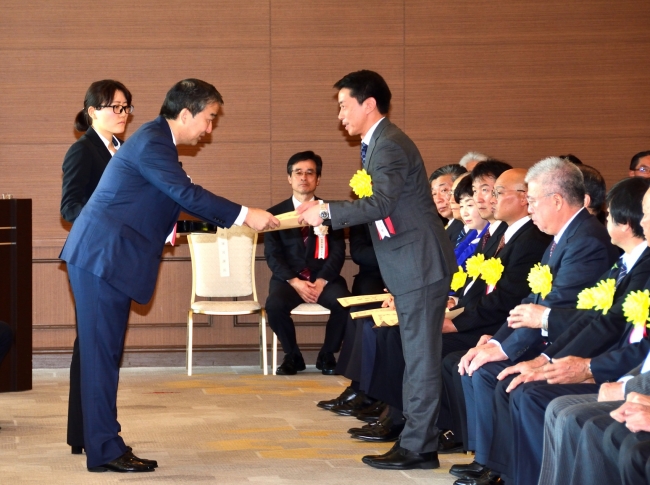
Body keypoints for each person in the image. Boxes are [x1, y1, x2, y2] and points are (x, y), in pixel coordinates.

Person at [59, 78, 279, 473]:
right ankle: (105, 450)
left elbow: (159, 200)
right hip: (100, 259)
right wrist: (246, 215)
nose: (209, 129)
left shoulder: (153, 142)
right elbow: (187, 195)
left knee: (104, 356)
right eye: (209, 119)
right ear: (185, 113)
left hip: (107, 258)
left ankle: (104, 443)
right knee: (100, 358)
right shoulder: (152, 142)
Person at [298, 69, 456, 470]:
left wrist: (328, 211)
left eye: (344, 106)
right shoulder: (378, 143)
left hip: (419, 263)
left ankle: (419, 447)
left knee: (420, 358)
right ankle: (412, 436)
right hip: (409, 263)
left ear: (368, 104)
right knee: (413, 355)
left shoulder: (388, 145)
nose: (340, 116)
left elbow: (381, 203)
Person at [453, 157, 618, 485]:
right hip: (552, 335)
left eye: (533, 202)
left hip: (568, 342)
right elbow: (530, 301)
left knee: (510, 382)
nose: (530, 210)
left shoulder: (585, 240)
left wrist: (514, 353)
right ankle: (498, 466)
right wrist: (497, 343)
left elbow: (554, 309)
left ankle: (514, 473)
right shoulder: (562, 236)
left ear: (557, 200)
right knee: (487, 367)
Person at [60, 79, 133, 457]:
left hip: (117, 258)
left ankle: (86, 432)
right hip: (92, 257)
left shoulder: (126, 151)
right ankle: (91, 435)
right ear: (92, 112)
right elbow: (69, 208)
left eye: (125, 107)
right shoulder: (83, 151)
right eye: (114, 107)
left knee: (92, 348)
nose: (122, 114)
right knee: (93, 348)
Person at [264, 151, 351, 375]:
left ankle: (327, 355)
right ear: (289, 178)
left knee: (344, 303)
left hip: (324, 278)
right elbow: (273, 255)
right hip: (289, 280)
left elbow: (338, 252)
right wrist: (295, 281)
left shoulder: (331, 212)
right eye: (298, 172)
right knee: (274, 306)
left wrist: (321, 281)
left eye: (310, 173)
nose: (304, 177)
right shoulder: (274, 214)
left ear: (318, 179)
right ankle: (292, 356)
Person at [429, 164, 467, 239]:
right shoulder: (443, 226)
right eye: (434, 194)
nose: (438, 200)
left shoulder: (466, 226)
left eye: (444, 190)